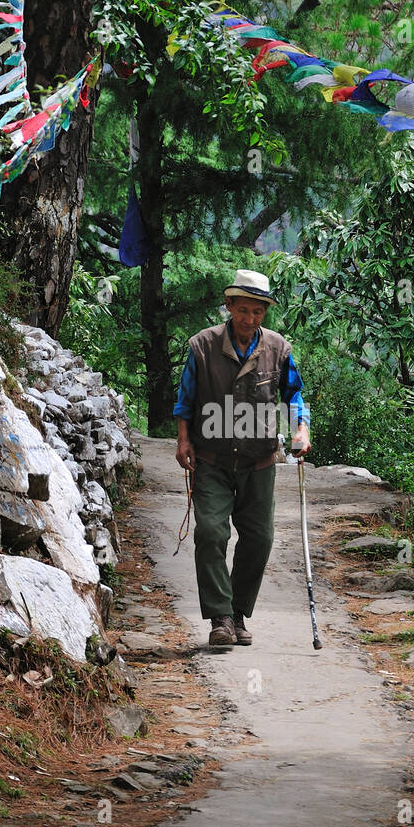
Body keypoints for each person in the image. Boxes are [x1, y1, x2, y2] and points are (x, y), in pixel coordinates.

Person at [174, 269, 311, 646]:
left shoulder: (279, 349)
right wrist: (183, 440)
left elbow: (294, 396)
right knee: (211, 533)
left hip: (259, 461)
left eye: (258, 312)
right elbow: (186, 400)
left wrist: (301, 430)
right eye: (244, 310)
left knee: (259, 539)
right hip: (212, 459)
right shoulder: (202, 346)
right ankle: (220, 617)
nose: (250, 319)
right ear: (229, 305)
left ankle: (237, 612)